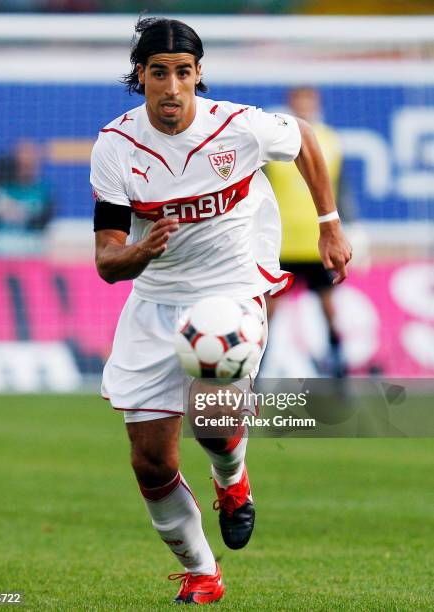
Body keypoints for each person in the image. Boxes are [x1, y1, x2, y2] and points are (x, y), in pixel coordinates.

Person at [90, 18, 351, 605]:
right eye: (159, 73)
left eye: (184, 73)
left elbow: (305, 137)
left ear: (198, 75)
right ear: (142, 77)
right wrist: (138, 251)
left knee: (211, 419)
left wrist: (330, 226)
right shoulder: (116, 146)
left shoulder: (238, 127)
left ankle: (232, 484)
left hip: (230, 290)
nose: (173, 87)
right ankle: (202, 571)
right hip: (153, 301)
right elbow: (108, 261)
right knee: (151, 463)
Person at [263, 87, 358, 378]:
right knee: (269, 313)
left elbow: (339, 188)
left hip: (318, 242)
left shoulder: (329, 141)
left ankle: (338, 364)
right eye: (298, 101)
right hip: (282, 242)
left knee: (329, 309)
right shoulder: (274, 143)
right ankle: (256, 370)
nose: (303, 106)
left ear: (316, 104)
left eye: (308, 101)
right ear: (290, 104)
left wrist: (350, 226)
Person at [0, 140, 54, 257]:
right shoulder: (0, 189)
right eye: (22, 162)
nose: (27, 166)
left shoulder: (44, 191)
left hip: (33, 249)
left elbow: (46, 221)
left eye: (31, 162)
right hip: (0, 248)